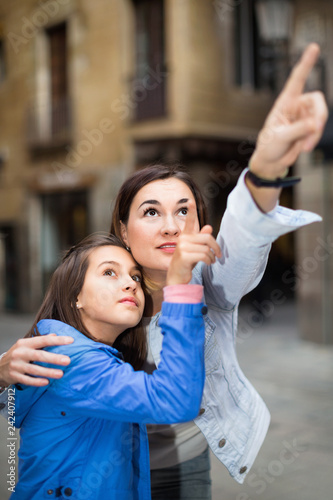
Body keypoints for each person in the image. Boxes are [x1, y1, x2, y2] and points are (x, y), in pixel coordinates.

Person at [0, 43, 328, 499]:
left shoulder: (209, 283)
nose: (171, 225)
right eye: (151, 212)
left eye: (184, 212)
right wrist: (2, 372)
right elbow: (30, 404)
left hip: (184, 464)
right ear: (122, 226)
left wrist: (266, 168)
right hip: (110, 464)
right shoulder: (96, 288)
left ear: (199, 225)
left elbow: (244, 235)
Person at [10, 222, 214, 500]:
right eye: (109, 272)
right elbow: (175, 400)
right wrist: (180, 289)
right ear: (75, 297)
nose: (131, 283)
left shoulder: (76, 352)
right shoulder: (70, 359)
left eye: (136, 277)